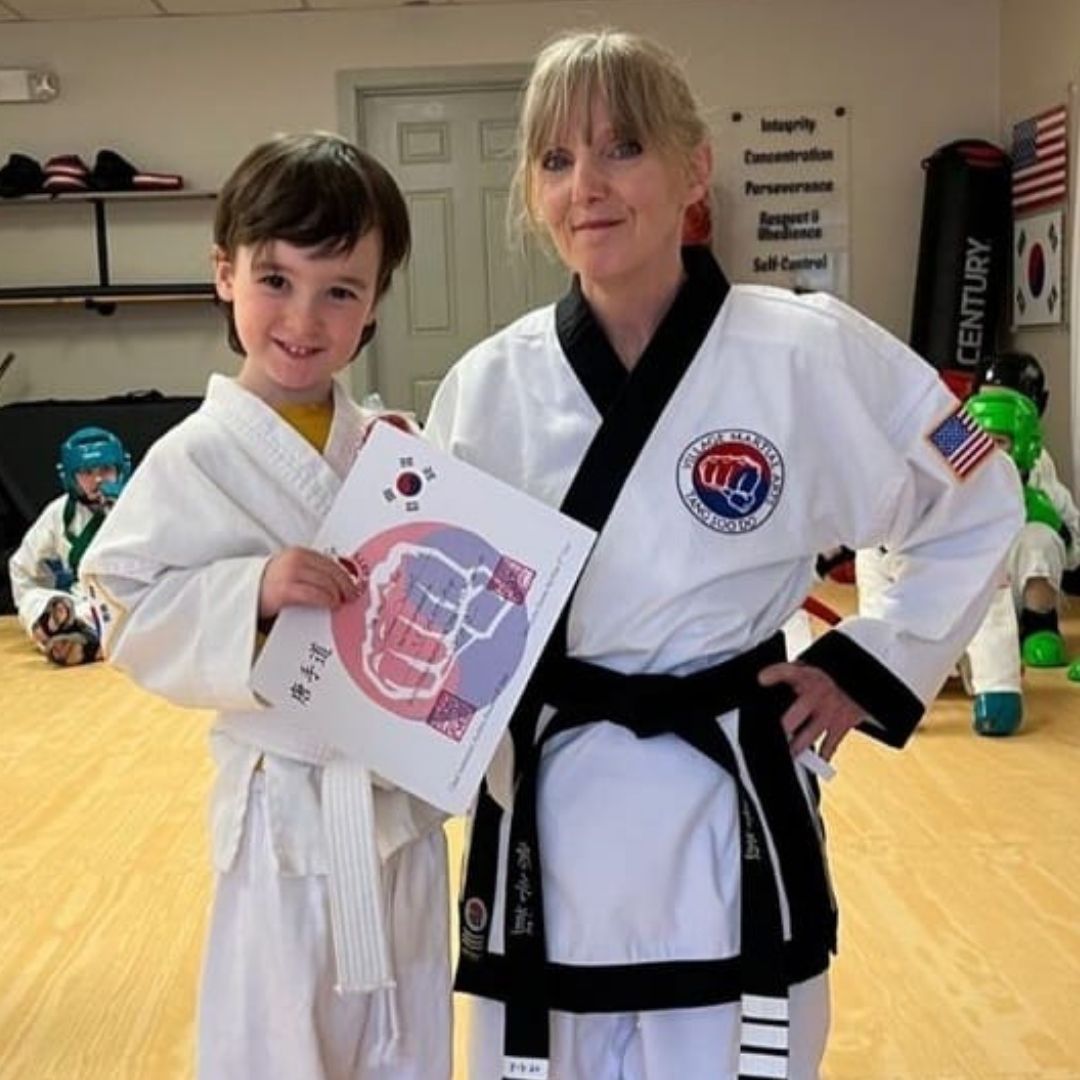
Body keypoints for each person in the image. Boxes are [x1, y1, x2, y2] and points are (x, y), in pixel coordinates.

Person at [423, 29, 1023, 1080]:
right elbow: (440, 624)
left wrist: (863, 664)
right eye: (557, 161)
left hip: (722, 799)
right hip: (553, 811)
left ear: (694, 167)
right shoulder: (487, 386)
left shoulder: (803, 350)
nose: (588, 188)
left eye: (621, 149)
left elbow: (978, 492)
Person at [79, 133, 451, 1080]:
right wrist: (252, 591)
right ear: (224, 275)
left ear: (373, 305)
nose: (303, 317)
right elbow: (124, 604)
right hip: (284, 806)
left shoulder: (388, 447)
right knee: (275, 1038)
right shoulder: (195, 455)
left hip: (393, 801)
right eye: (276, 280)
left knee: (405, 1029)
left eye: (341, 290)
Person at [973, 353, 1080, 674]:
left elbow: (1074, 549)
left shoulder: (1037, 461)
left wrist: (1050, 520)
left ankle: (1039, 625)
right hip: (963, 582)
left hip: (1011, 582)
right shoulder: (950, 439)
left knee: (1040, 537)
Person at [8, 425, 130, 666]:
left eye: (105, 470)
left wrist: (123, 514)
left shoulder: (137, 503)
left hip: (128, 596)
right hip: (82, 600)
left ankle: (82, 640)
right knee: (34, 599)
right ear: (70, 477)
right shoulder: (59, 512)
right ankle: (58, 623)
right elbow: (22, 567)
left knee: (125, 614)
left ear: (121, 469)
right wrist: (42, 601)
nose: (97, 480)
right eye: (86, 472)